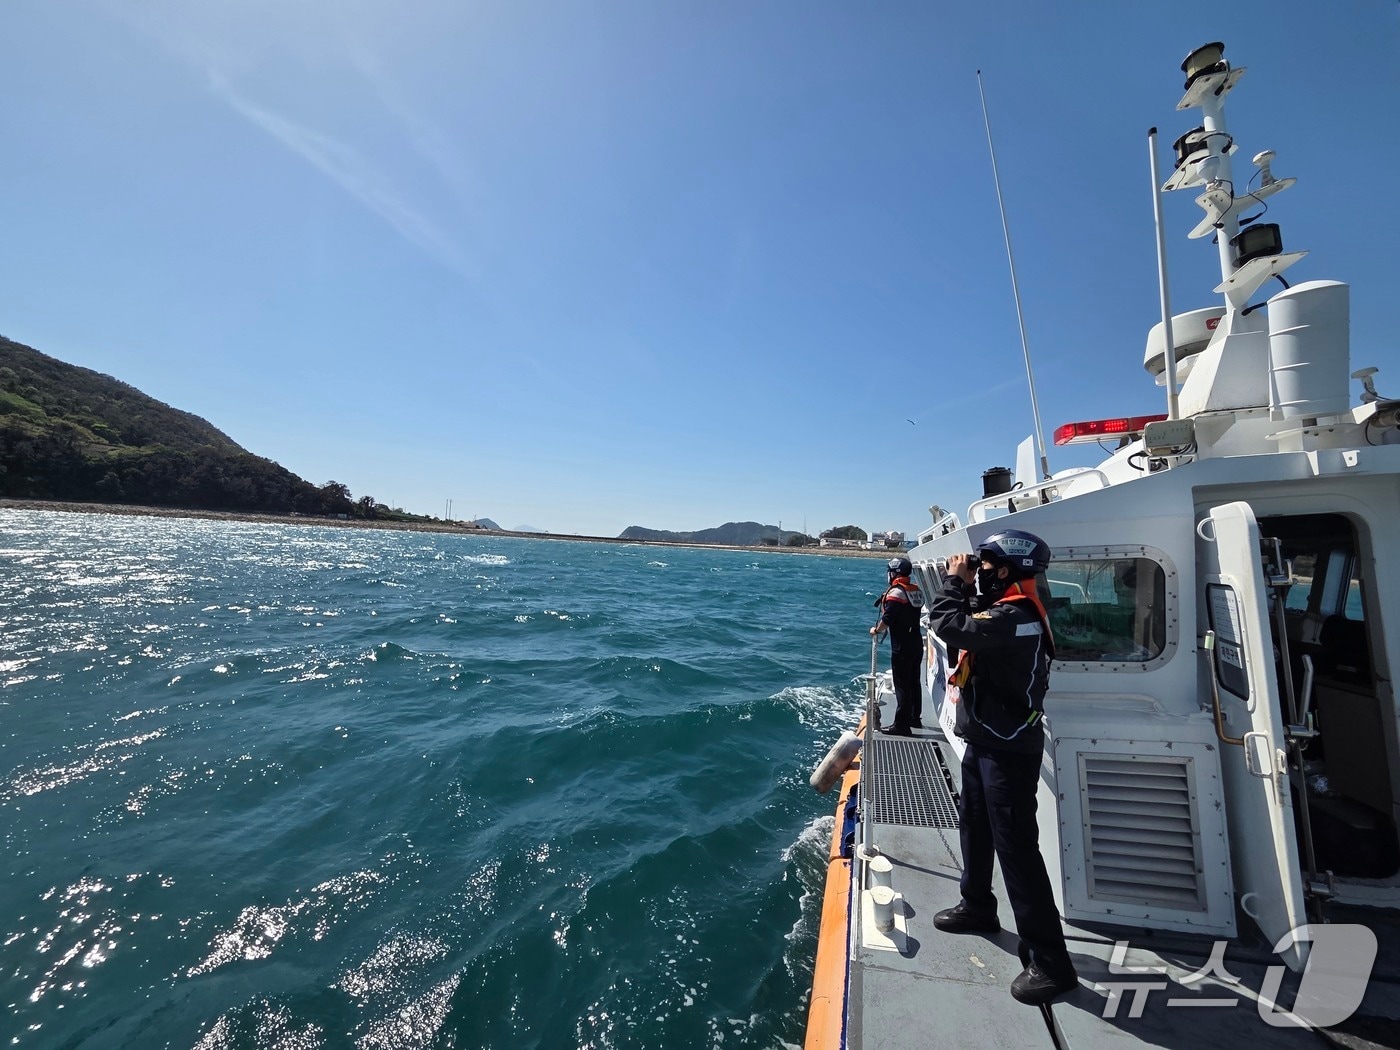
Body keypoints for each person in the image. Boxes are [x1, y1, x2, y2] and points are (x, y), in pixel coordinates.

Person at [928, 529, 1078, 1005]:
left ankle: (1053, 963)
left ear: (1008, 570)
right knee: (973, 823)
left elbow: (949, 624)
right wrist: (969, 587)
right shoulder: (1005, 610)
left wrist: (953, 582)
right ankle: (977, 906)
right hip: (985, 739)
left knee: (1017, 850)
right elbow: (972, 619)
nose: (980, 572)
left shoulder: (1016, 616)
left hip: (1008, 749)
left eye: (987, 566)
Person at [869, 555, 925, 736]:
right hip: (916, 643)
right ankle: (915, 718)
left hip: (902, 647)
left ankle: (901, 725)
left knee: (902, 685)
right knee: (914, 682)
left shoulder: (895, 594)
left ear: (894, 573)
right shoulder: (915, 590)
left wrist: (876, 631)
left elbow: (888, 619)